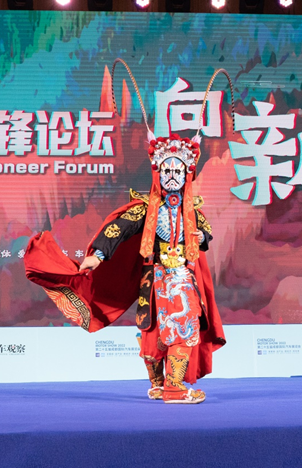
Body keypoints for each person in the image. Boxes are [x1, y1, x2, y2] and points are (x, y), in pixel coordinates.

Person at [25, 60, 231, 404]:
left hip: (183, 277)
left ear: (187, 176)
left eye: (178, 172)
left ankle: (171, 386)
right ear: (158, 174)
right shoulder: (146, 209)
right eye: (166, 172)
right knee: (152, 335)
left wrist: (200, 238)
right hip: (155, 279)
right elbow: (118, 228)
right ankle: (167, 387)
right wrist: (97, 255)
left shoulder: (193, 212)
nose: (172, 177)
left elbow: (206, 235)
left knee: (183, 329)